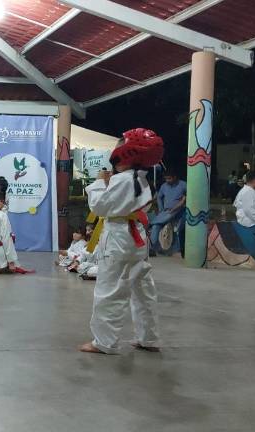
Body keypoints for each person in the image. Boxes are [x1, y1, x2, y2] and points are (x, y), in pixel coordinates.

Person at [79, 128, 163, 355]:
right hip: (136, 236)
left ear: (127, 154)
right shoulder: (142, 179)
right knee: (142, 289)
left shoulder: (124, 180)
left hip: (119, 236)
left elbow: (100, 207)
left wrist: (98, 184)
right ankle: (149, 337)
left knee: (111, 289)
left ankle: (104, 342)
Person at [149, 171, 186, 254]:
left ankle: (152, 222)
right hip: (166, 211)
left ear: (175, 177)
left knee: (172, 223)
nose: (167, 180)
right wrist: (161, 208)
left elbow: (189, 196)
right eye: (166, 179)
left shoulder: (183, 185)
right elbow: (159, 197)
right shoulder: (164, 186)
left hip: (178, 210)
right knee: (156, 226)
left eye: (169, 178)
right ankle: (152, 248)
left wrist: (183, 201)